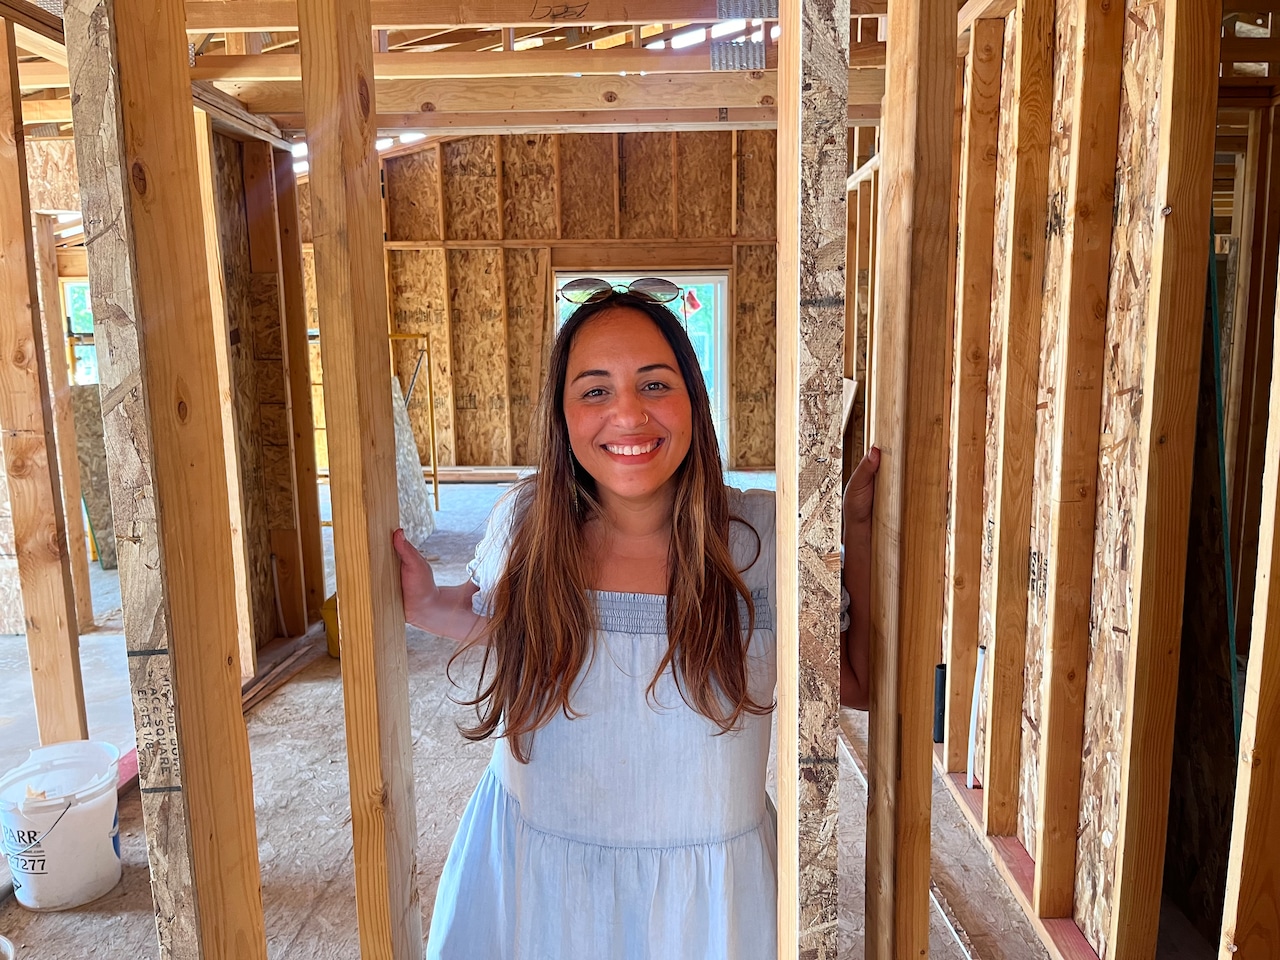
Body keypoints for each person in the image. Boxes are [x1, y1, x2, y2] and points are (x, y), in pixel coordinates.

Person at [392, 279, 879, 959]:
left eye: (654, 385)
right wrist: (419, 601)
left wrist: (857, 531)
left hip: (710, 909)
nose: (627, 414)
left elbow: (851, 681)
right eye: (595, 390)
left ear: (693, 401)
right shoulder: (528, 523)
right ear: (562, 418)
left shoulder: (762, 542)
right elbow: (493, 615)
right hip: (537, 891)